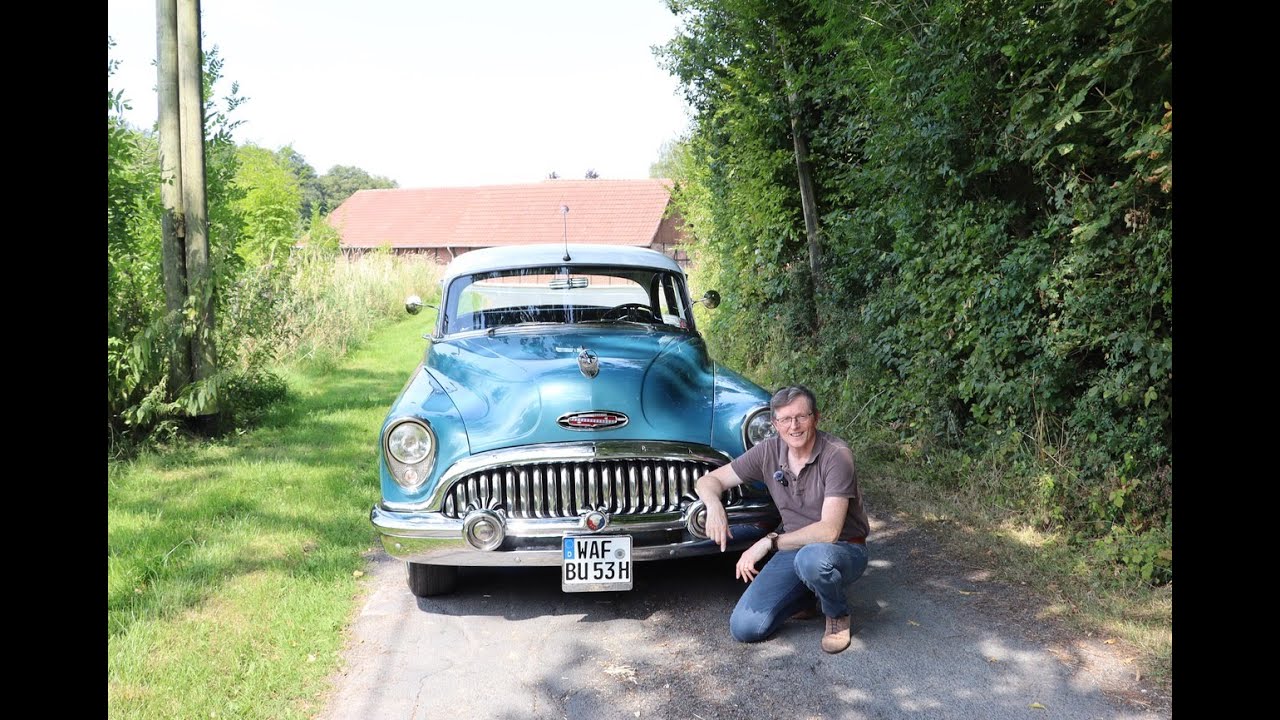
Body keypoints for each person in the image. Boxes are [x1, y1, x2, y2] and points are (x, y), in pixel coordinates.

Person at [694, 385, 870, 653]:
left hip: (843, 549)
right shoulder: (768, 452)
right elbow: (709, 480)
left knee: (811, 559)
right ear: (775, 423)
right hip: (795, 549)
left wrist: (769, 542)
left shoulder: (836, 455)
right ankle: (807, 596)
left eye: (801, 417)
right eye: (785, 419)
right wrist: (714, 504)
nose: (794, 426)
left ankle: (836, 613)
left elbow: (829, 532)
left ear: (816, 417)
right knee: (745, 627)